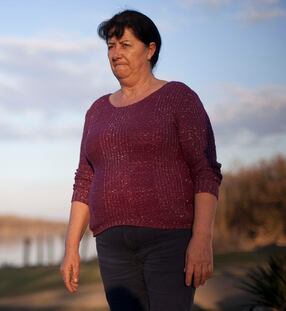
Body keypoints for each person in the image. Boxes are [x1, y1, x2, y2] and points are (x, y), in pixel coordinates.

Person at [60, 9, 222, 311]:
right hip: (112, 246)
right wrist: (71, 249)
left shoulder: (178, 98)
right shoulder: (96, 111)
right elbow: (84, 179)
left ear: (150, 49)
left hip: (169, 240)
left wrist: (202, 238)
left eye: (125, 44)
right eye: (110, 46)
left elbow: (205, 171)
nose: (115, 53)